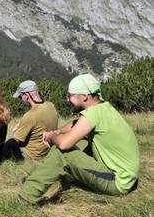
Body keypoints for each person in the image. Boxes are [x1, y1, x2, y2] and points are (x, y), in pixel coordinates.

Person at [20, 74, 140, 204]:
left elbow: (64, 144)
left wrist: (52, 136)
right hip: (128, 177)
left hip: (118, 181)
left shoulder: (93, 114)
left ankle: (26, 197)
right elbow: (76, 123)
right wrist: (58, 131)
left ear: (84, 96)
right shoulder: (103, 108)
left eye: (70, 95)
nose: (67, 99)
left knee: (62, 153)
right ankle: (69, 176)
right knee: (82, 142)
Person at [4, 80, 58, 161]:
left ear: (26, 95)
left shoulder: (30, 115)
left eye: (20, 96)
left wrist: (14, 132)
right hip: (47, 153)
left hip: (31, 156)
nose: (20, 99)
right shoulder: (51, 105)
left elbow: (15, 142)